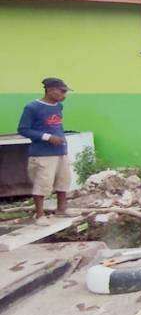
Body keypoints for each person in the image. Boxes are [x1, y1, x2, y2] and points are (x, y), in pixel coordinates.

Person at [17, 78, 73, 224]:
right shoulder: (32, 107)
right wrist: (47, 137)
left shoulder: (58, 106)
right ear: (50, 90)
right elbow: (23, 129)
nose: (64, 95)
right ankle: (40, 215)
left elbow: (56, 126)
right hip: (42, 153)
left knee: (63, 180)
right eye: (62, 91)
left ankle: (62, 208)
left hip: (60, 150)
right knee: (43, 183)